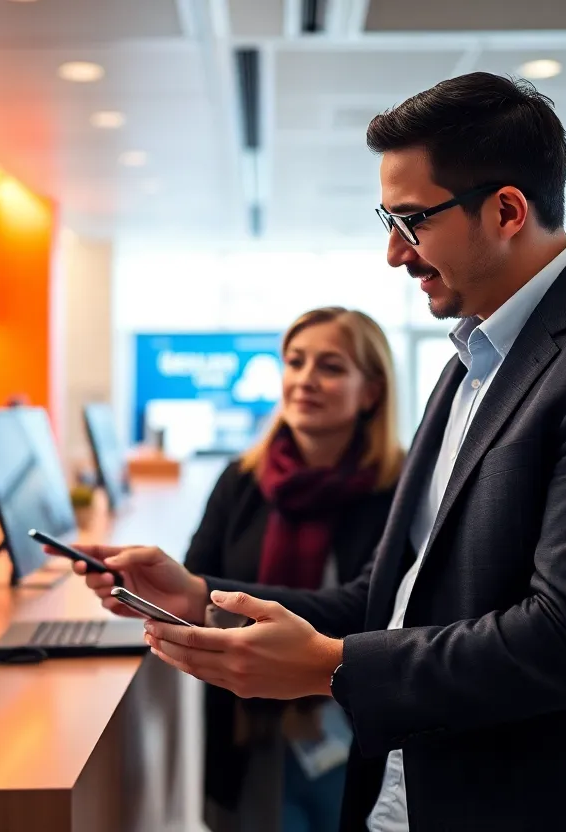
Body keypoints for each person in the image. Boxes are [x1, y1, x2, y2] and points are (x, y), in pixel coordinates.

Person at [69, 72, 566, 831]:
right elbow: (390, 596)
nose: (393, 253)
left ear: (507, 211)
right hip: (406, 795)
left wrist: (331, 667)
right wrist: (200, 597)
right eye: (389, 220)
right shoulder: (470, 362)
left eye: (411, 221)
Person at [186, 307, 404, 832]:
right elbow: (194, 595)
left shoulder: (402, 489)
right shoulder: (240, 480)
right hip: (247, 728)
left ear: (371, 392)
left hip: (353, 727)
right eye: (295, 361)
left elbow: (376, 609)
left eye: (330, 367)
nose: (305, 379)